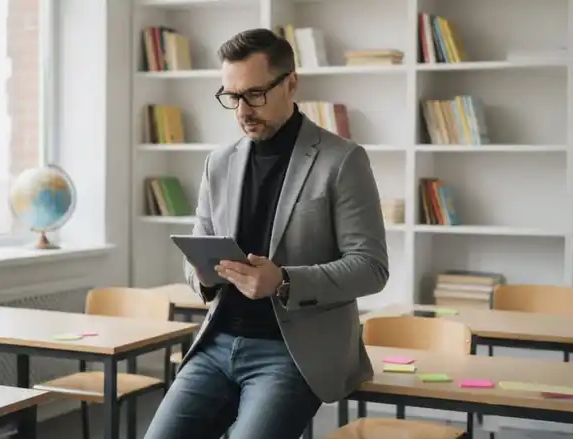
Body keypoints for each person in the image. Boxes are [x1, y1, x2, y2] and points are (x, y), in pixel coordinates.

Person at [143, 28, 389, 439]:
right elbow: (196, 257)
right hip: (217, 342)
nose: (242, 110)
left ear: (291, 83)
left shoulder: (342, 160)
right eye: (232, 97)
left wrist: (285, 280)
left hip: (293, 352)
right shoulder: (217, 163)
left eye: (255, 95)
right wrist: (203, 277)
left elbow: (371, 268)